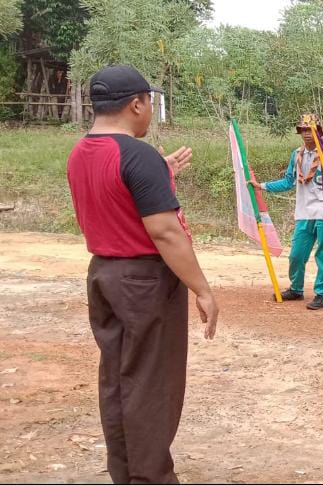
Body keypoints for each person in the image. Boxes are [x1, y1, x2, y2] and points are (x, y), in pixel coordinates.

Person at [67, 64, 219, 483]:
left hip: (103, 275)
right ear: (136, 104)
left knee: (117, 379)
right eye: (149, 103)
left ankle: (127, 473)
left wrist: (159, 169)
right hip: (144, 281)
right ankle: (151, 477)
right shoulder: (138, 155)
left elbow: (113, 195)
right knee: (151, 384)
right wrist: (202, 289)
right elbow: (166, 232)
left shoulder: (81, 151)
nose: (150, 111)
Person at [256, 114, 323, 310]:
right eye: (304, 130)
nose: (308, 134)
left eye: (311, 130)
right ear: (300, 132)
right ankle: (296, 288)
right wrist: (261, 186)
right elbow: (288, 181)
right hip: (303, 212)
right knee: (297, 254)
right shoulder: (297, 155)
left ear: (319, 131)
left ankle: (321, 294)